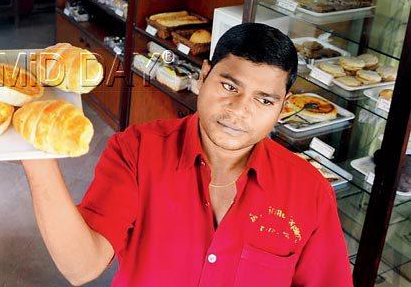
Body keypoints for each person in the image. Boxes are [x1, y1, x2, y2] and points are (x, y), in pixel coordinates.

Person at [21, 23, 352, 287]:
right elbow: (82, 267)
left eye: (264, 100)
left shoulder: (310, 191)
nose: (239, 110)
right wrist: (35, 155)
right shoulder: (136, 151)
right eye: (229, 86)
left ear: (283, 105)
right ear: (203, 75)